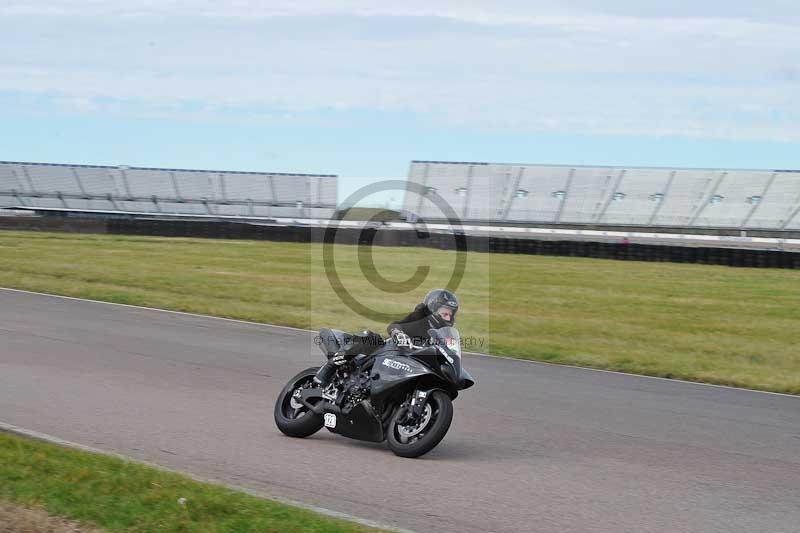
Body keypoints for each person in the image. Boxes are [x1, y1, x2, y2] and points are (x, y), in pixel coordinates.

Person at [313, 289, 459, 387]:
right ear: (433, 309)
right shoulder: (419, 318)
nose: (448, 317)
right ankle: (330, 367)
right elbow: (394, 326)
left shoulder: (443, 333)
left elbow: (449, 352)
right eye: (445, 313)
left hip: (409, 367)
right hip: (388, 352)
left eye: (451, 314)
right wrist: (399, 334)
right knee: (370, 337)